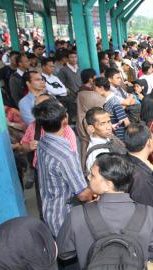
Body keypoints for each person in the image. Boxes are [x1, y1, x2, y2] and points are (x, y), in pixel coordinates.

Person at [57, 153, 153, 269]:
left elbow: (64, 253)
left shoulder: (77, 215)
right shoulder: (148, 214)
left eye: (93, 175)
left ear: (108, 184)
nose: (88, 177)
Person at [34, 99, 93, 236]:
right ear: (64, 121)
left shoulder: (42, 142)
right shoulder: (65, 155)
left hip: (50, 211)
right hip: (65, 219)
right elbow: (83, 194)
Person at [76, 68, 105, 166]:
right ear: (90, 79)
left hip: (81, 121)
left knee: (85, 145)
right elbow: (100, 102)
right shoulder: (87, 92)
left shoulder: (81, 90)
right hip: (88, 122)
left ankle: (84, 167)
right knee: (89, 146)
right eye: (94, 77)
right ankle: (87, 168)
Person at [84, 107, 126, 174]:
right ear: (92, 128)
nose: (108, 127)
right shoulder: (96, 155)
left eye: (109, 122)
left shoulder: (108, 137)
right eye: (102, 124)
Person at [41, 57, 76, 122]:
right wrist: (64, 91)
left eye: (53, 66)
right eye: (50, 66)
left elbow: (63, 87)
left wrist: (63, 91)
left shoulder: (54, 77)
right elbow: (52, 91)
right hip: (54, 99)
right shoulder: (41, 78)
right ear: (43, 67)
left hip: (64, 98)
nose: (52, 68)